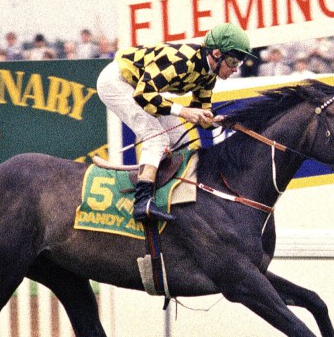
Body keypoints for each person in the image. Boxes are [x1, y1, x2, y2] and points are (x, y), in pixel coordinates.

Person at [96, 22, 255, 222]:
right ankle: (142, 202)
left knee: (181, 141)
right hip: (117, 82)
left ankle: (172, 196)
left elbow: (201, 114)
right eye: (233, 61)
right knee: (156, 138)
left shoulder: (209, 76)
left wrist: (217, 121)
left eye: (239, 63)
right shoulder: (183, 60)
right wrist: (183, 111)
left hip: (141, 87)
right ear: (216, 53)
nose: (235, 69)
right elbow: (143, 95)